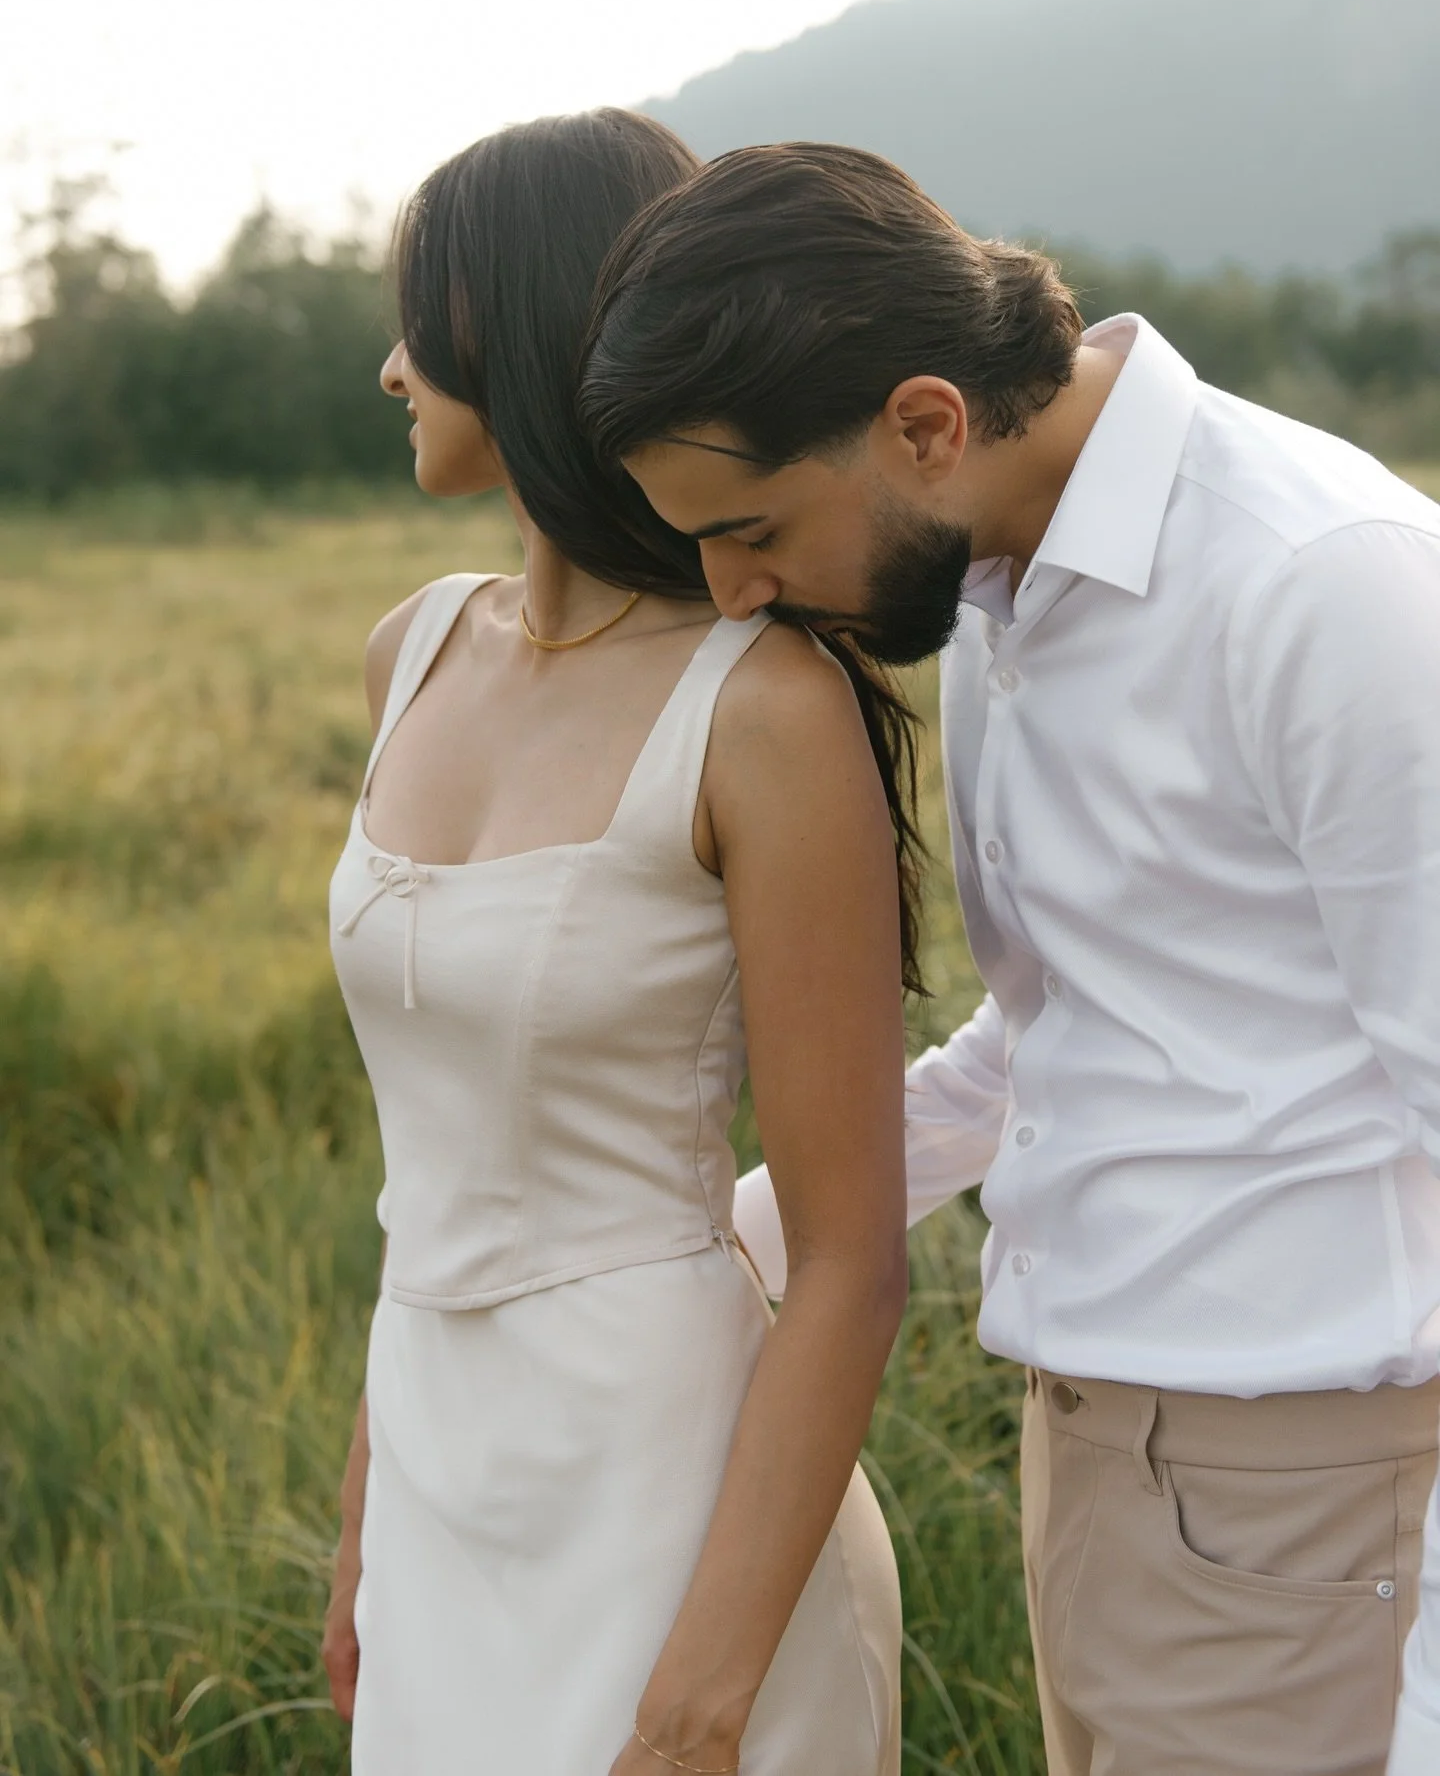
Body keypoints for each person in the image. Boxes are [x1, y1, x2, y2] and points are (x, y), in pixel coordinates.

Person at [578, 141, 1440, 1776]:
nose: (734, 591)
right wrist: (712, 1244)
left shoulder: (1324, 586)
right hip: (1104, 1466)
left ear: (924, 421)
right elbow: (1052, 1039)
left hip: (1313, 1502)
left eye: (749, 525)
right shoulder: (996, 586)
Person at [317, 111, 910, 1776]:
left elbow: (854, 1260)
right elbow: (424, 1167)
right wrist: (371, 1506)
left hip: (672, 1484)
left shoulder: (766, 712)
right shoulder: (412, 649)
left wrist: (701, 1696)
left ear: (515, 323)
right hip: (438, 1458)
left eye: (420, 315)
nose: (389, 366)